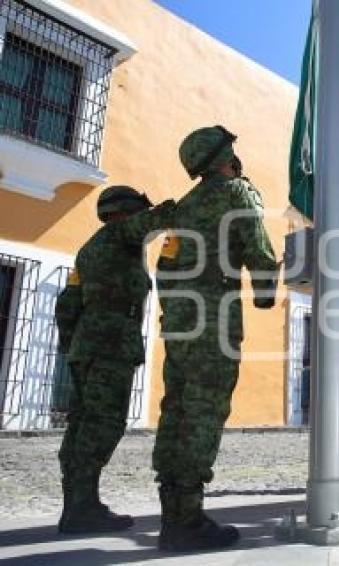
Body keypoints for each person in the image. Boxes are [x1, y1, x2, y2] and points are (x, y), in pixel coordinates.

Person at [152, 126, 278, 551]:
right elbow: (257, 245)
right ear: (224, 157)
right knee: (204, 412)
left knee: (177, 410)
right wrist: (264, 293)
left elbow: (165, 266)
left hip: (180, 321)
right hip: (213, 318)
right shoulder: (236, 191)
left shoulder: (184, 207)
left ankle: (173, 513)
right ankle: (186, 521)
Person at [55, 186, 174, 534]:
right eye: (138, 212)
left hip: (87, 345)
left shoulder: (89, 248)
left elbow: (67, 304)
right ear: (125, 212)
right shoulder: (121, 234)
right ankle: (81, 510)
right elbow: (158, 219)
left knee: (81, 423)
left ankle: (80, 505)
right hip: (110, 345)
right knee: (103, 423)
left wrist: (73, 346)